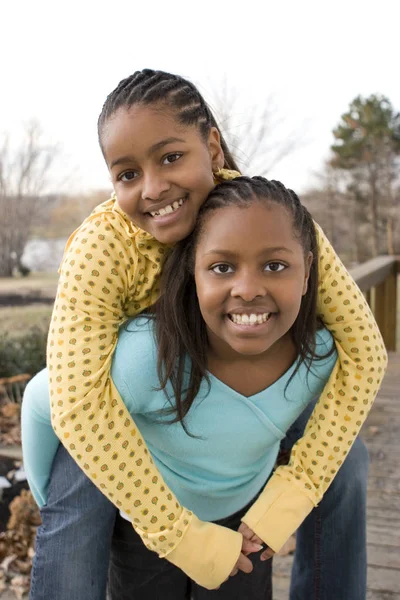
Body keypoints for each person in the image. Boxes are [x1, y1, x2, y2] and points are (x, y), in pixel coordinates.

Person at [24, 68, 386, 595]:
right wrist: (177, 533)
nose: (154, 187)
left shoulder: (260, 210)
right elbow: (77, 403)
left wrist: (293, 490)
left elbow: (363, 345)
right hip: (129, 390)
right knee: (86, 464)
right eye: (127, 174)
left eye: (171, 157)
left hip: (253, 365)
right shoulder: (102, 250)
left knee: (344, 457)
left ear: (213, 149)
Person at [24, 176, 340, 599]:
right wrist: (64, 505)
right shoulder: (147, 358)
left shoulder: (321, 356)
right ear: (193, 275)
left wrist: (280, 507)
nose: (247, 290)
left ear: (308, 275)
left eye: (275, 266)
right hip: (148, 528)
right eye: (222, 268)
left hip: (243, 524)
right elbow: (44, 400)